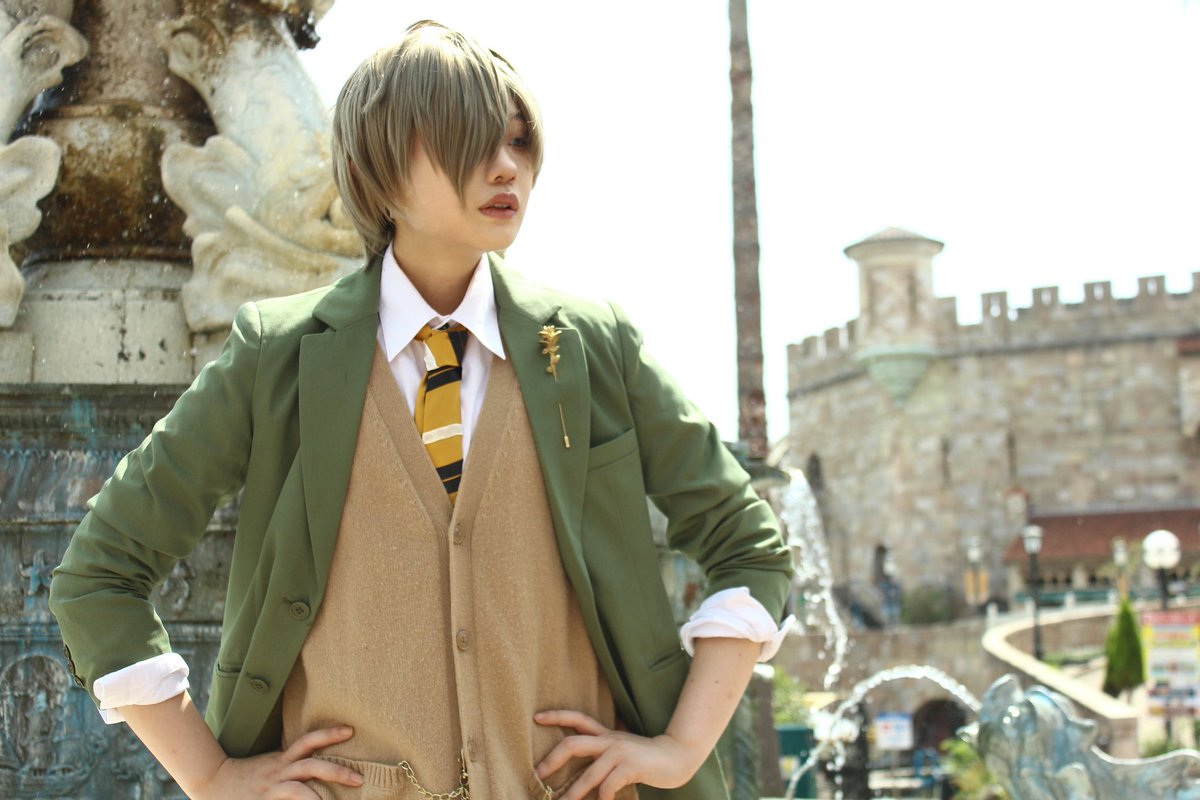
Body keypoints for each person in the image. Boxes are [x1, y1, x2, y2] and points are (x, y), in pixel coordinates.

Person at [50, 20, 794, 800]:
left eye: (519, 142)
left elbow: (750, 546)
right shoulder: (279, 354)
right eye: (468, 141)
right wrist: (209, 775)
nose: (506, 166)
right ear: (377, 168)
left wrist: (680, 748)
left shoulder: (590, 344)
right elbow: (98, 575)